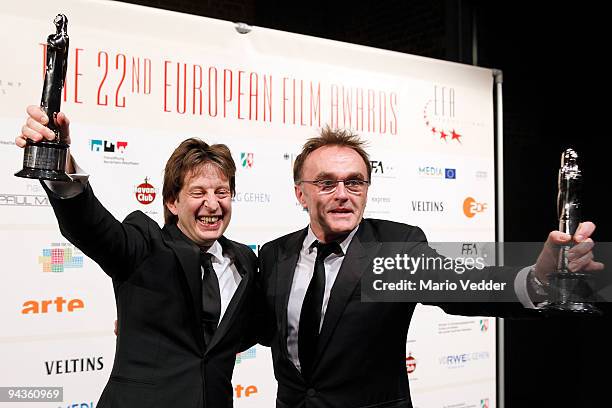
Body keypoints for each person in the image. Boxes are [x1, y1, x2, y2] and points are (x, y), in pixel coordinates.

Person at [257, 127, 603, 408]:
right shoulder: (275, 254)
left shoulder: (393, 246)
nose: (343, 193)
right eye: (326, 183)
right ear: (301, 194)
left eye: (355, 182)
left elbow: (463, 284)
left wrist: (538, 278)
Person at [16, 106, 259, 408]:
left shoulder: (245, 262)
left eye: (222, 192)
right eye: (199, 193)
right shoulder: (145, 244)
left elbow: (242, 333)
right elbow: (92, 227)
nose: (213, 204)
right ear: (172, 202)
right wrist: (59, 161)